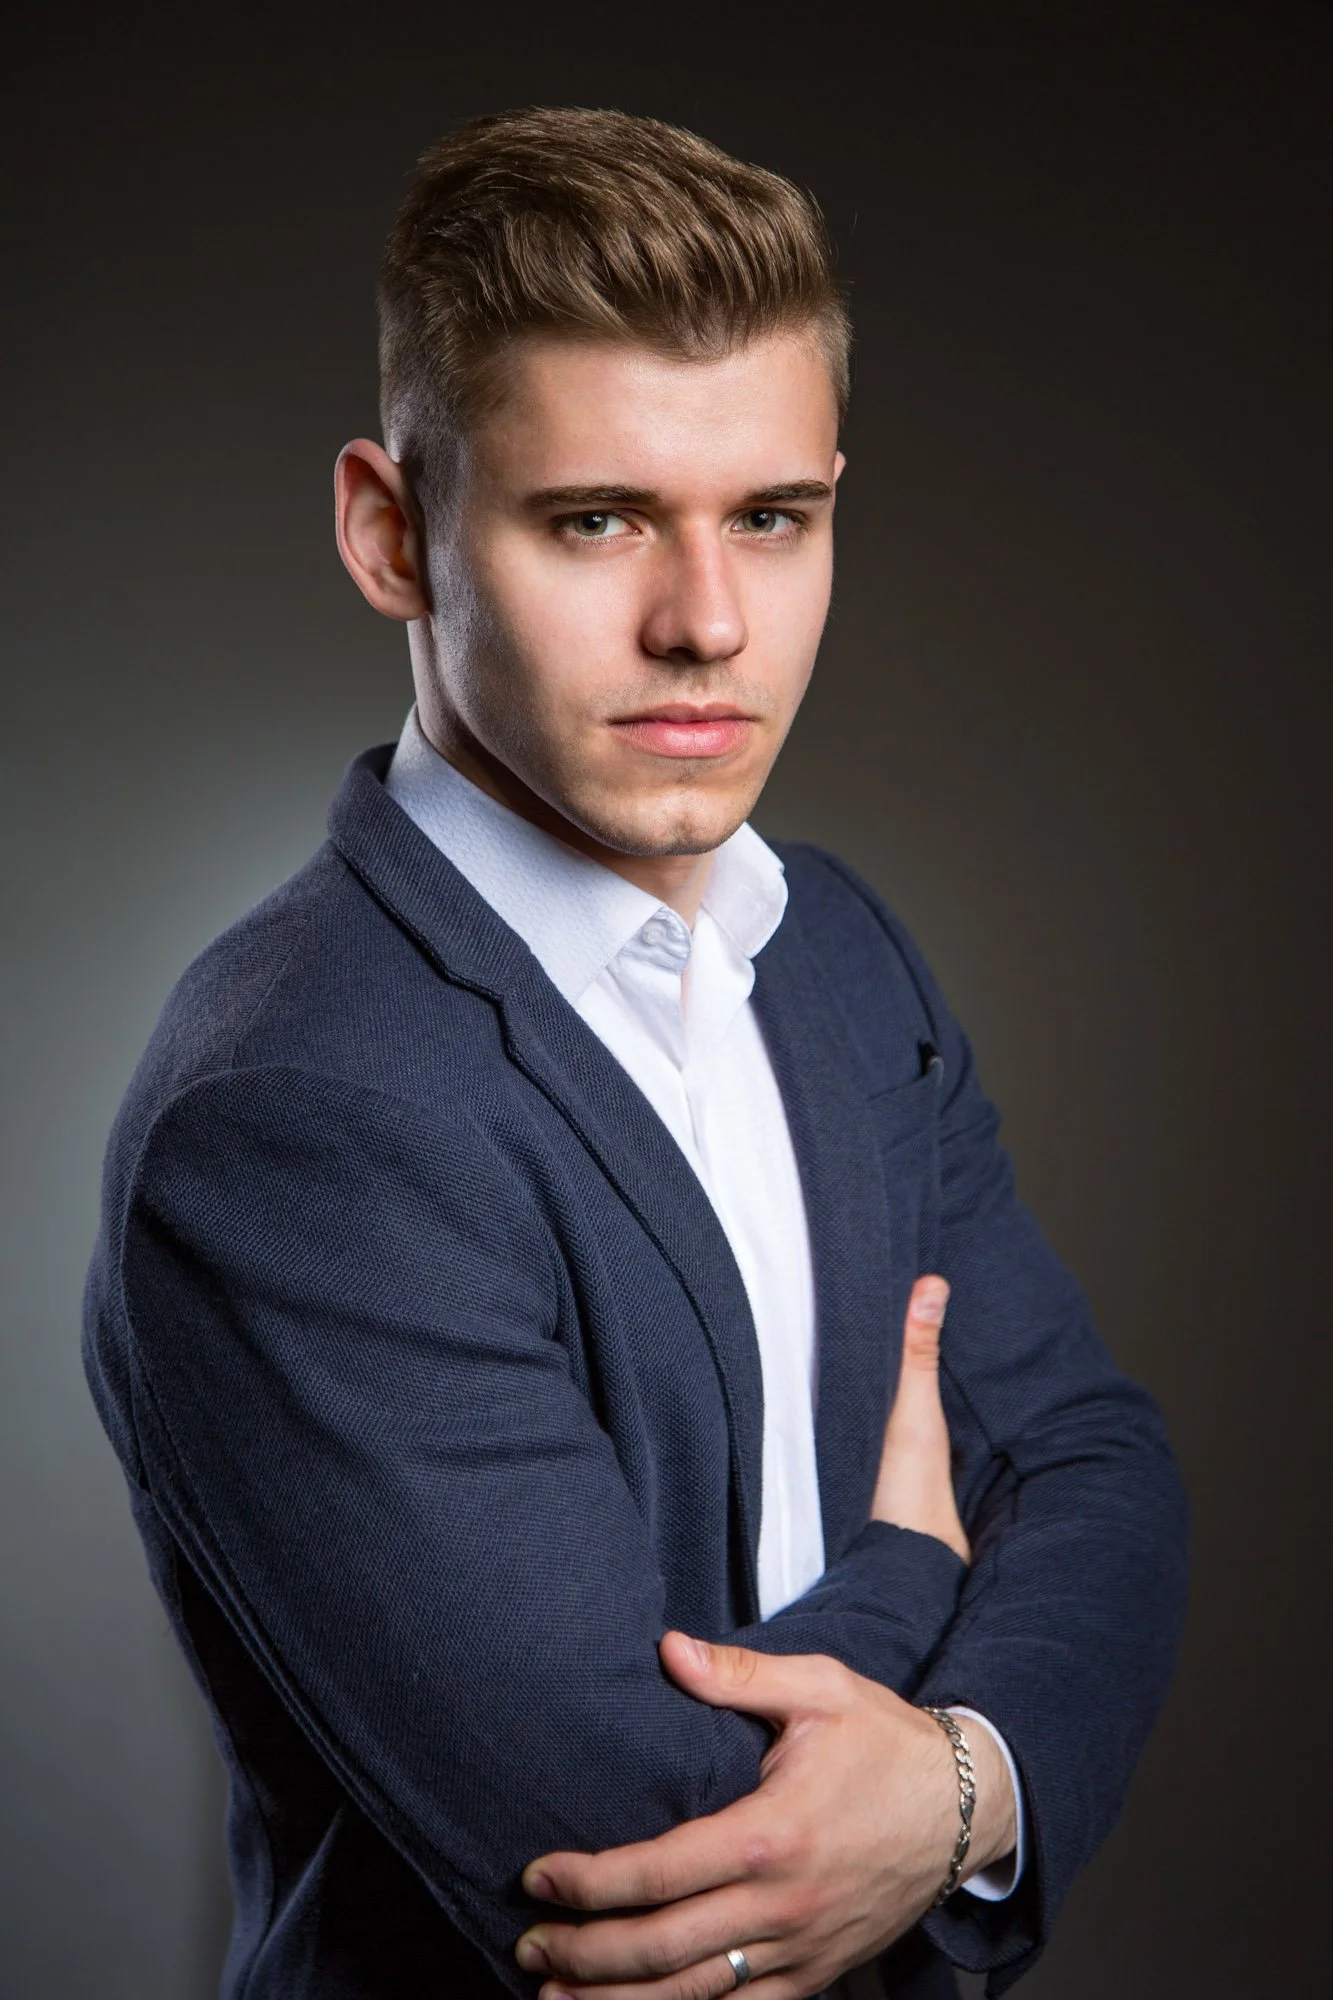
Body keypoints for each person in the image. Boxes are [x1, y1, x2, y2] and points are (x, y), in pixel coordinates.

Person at [83, 107, 1188, 2000]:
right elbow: (638, 1865)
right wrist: (925, 1580)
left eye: (774, 516)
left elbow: (1100, 1471)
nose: (709, 622)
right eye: (595, 518)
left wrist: (952, 1785)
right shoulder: (293, 1115)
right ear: (391, 532)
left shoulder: (836, 949)